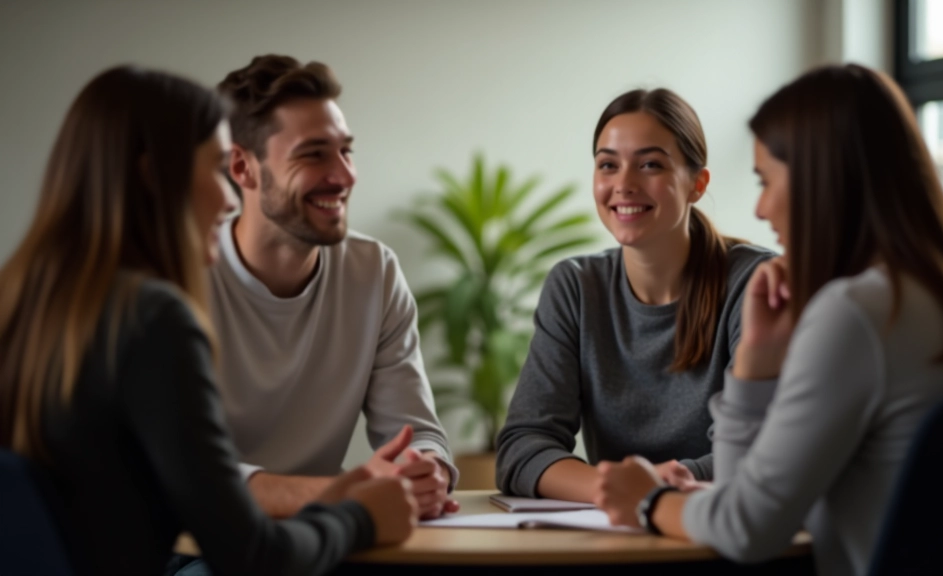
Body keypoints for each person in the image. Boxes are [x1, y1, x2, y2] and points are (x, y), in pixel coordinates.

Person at [594, 64, 943, 576]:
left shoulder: (856, 315)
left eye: (766, 180)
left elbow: (746, 527)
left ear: (822, 180)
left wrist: (649, 501)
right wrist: (755, 364)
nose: (760, 207)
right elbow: (746, 501)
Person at [0, 66, 418, 576]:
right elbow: (250, 554)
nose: (225, 199)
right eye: (215, 168)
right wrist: (360, 516)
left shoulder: (28, 297)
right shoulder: (153, 318)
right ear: (157, 176)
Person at [209, 55, 458, 520]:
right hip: (202, 549)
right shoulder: (179, 275)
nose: (344, 176)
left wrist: (423, 468)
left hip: (325, 538)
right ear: (243, 168)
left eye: (346, 151)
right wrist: (342, 492)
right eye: (313, 153)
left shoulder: (374, 271)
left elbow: (414, 430)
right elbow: (185, 481)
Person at [495, 88, 773, 502]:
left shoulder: (755, 283)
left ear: (697, 183)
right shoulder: (575, 286)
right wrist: (614, 490)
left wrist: (649, 490)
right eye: (608, 165)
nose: (624, 184)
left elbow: (758, 451)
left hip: (721, 538)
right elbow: (522, 448)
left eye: (650, 164)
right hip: (618, 540)